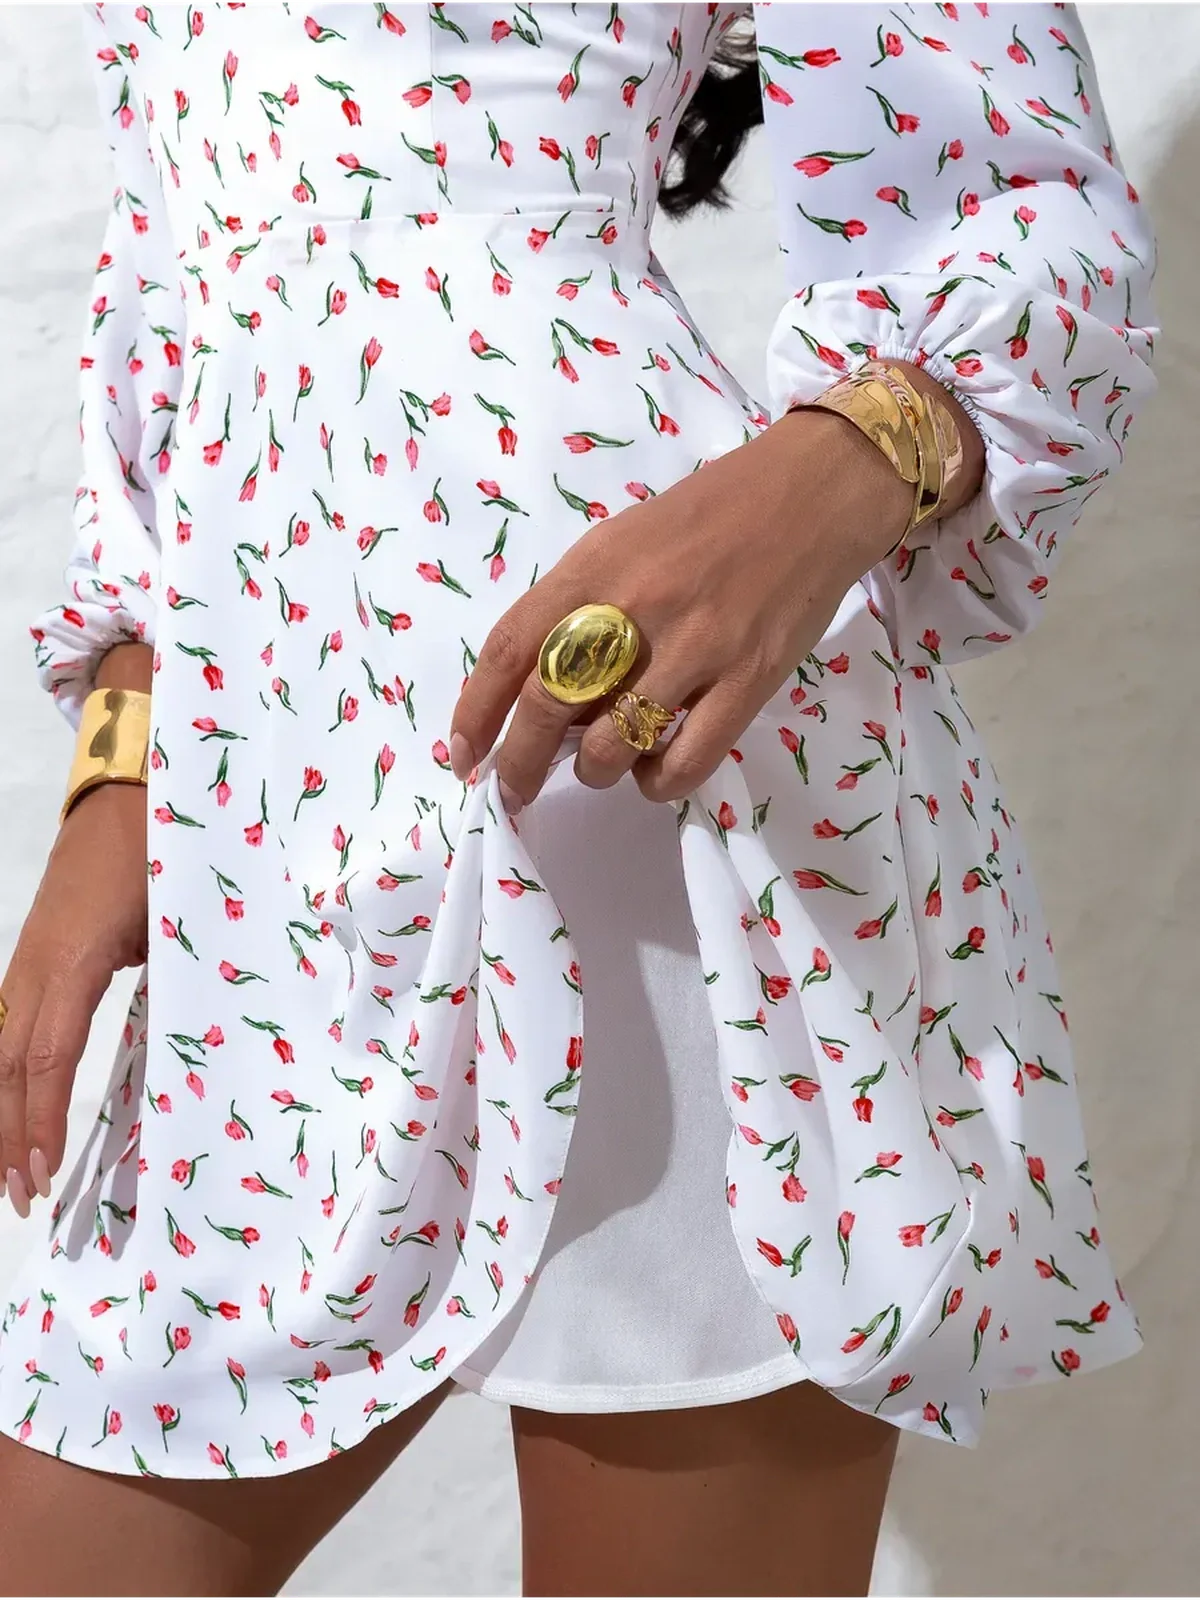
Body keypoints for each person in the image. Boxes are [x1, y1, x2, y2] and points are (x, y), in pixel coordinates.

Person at [0, 2, 1158, 1596]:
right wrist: (119, 767)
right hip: (268, 817)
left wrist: (834, 472)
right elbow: (169, 280)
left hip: (650, 762)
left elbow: (1029, 208)